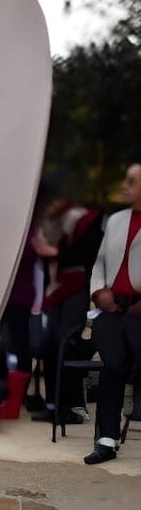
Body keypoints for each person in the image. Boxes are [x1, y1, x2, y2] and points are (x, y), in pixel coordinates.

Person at [30, 194, 103, 425]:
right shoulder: (48, 224)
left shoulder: (84, 220)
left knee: (67, 344)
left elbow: (89, 255)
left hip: (76, 288)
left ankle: (71, 407)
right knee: (50, 345)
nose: (51, 206)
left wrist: (55, 254)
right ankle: (53, 405)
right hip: (54, 290)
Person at [86, 162, 141, 464]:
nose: (124, 185)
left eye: (131, 181)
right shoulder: (117, 220)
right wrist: (99, 293)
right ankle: (106, 440)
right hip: (110, 307)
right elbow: (99, 263)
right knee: (112, 365)